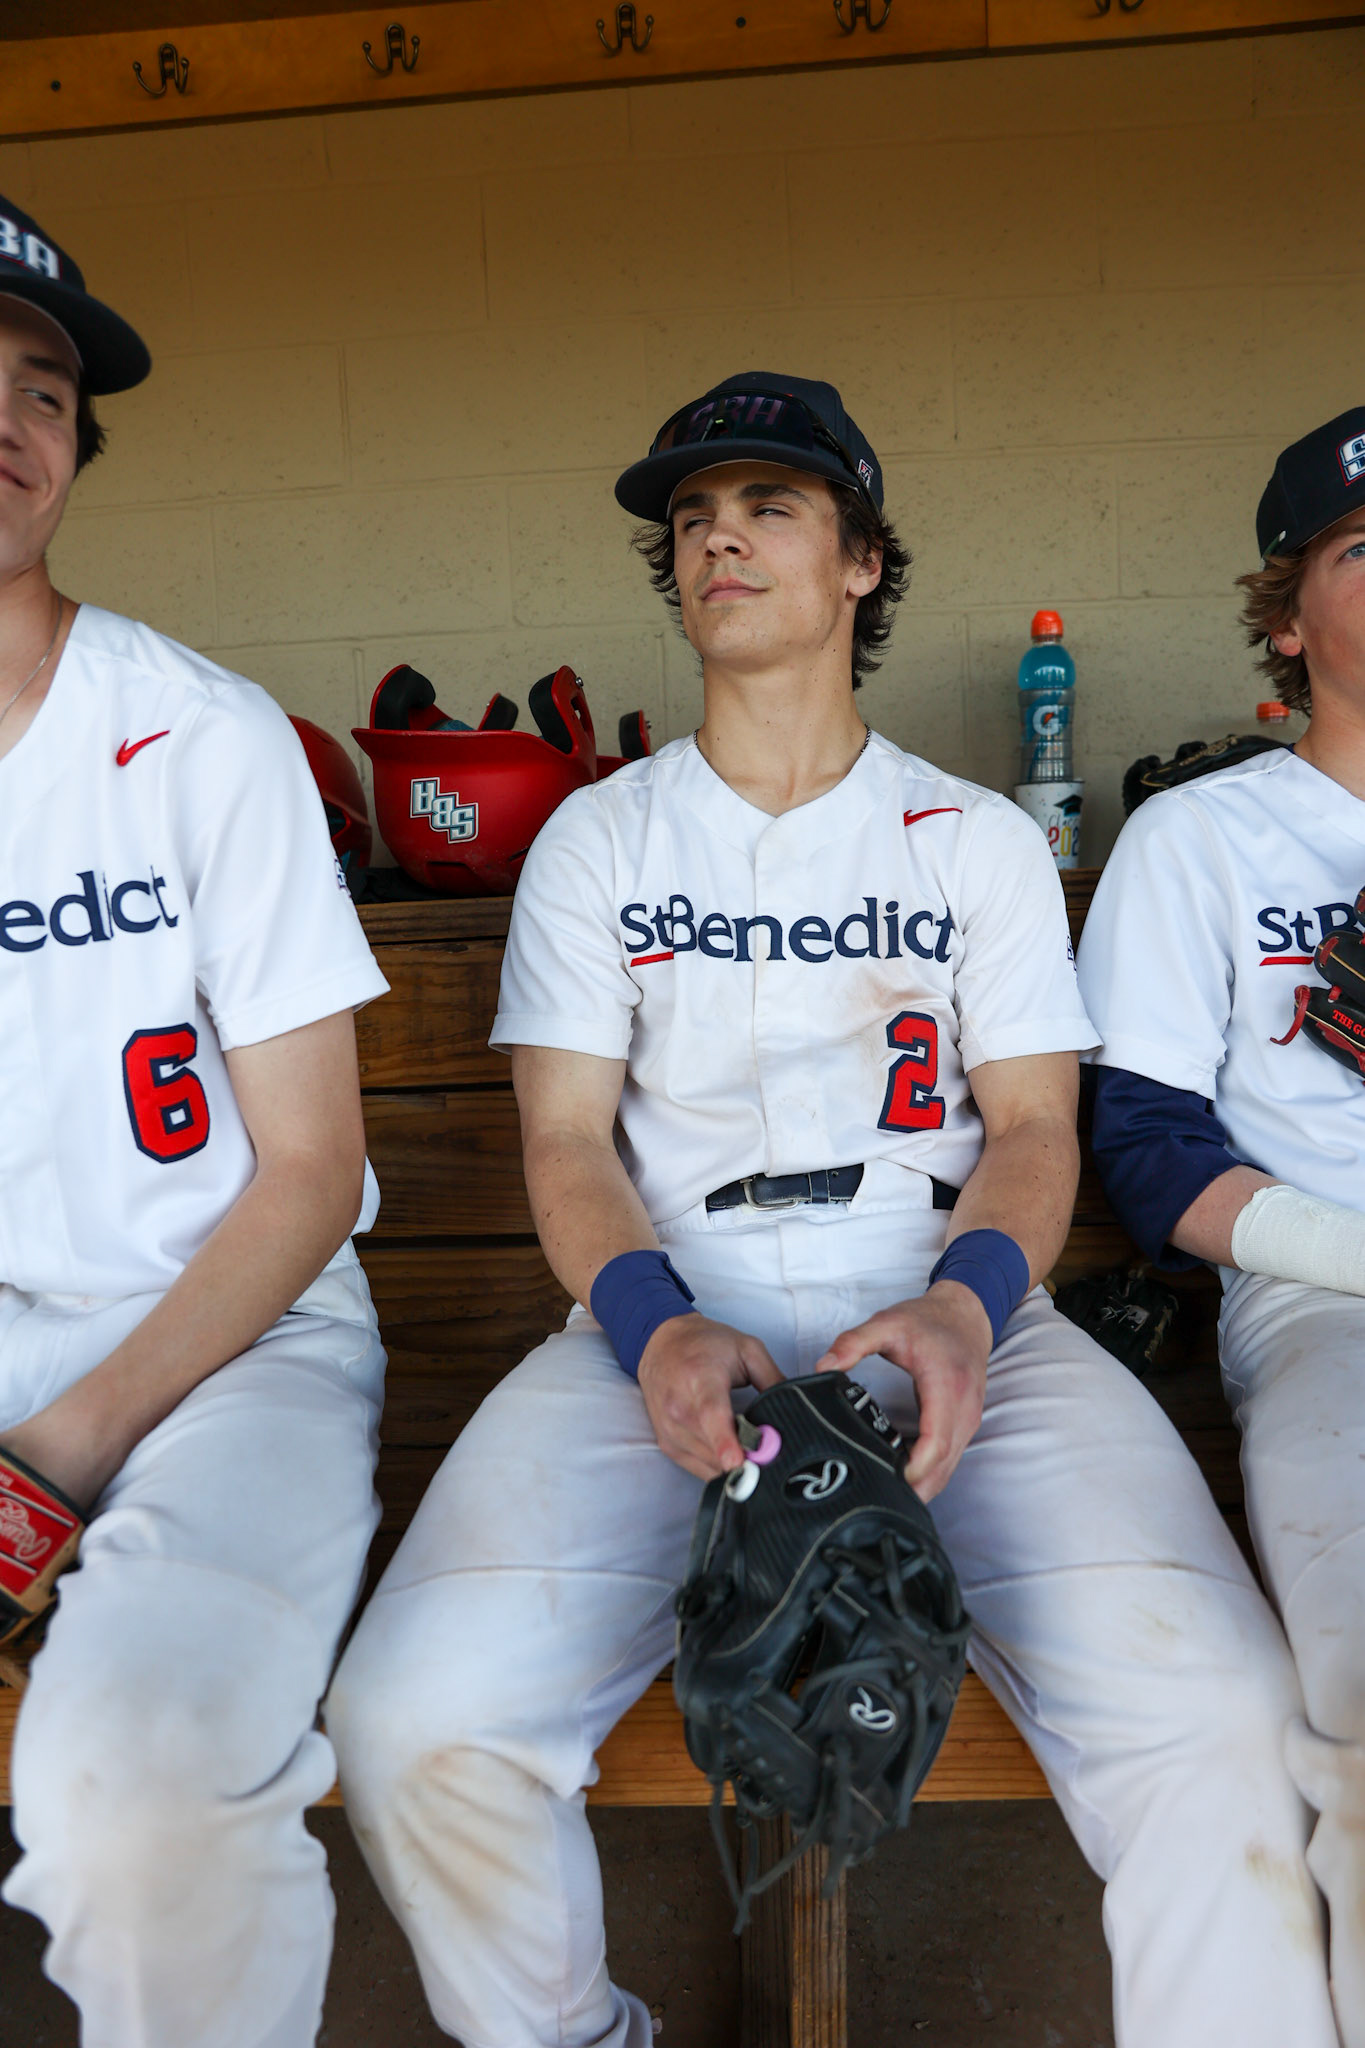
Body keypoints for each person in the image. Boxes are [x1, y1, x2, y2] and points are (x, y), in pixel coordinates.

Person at [328, 373, 1337, 2048]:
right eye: (693, 519)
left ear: (863, 562)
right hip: (663, 1304)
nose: (718, 537)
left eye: (771, 507)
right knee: (412, 1720)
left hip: (942, 1292)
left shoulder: (972, 840)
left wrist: (965, 1306)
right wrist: (653, 1328)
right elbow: (567, 1144)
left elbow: (1029, 1127)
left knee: (1212, 1713)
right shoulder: (599, 841)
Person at [0, 196, 390, 2048]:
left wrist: (59, 1446)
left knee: (137, 1793)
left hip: (227, 1354)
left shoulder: (198, 733)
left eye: (44, 386)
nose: (9, 416)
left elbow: (308, 1169)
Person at [1076, 404, 1365, 2048]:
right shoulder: (1202, 842)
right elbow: (1144, 1150)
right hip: (1328, 1304)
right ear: (1281, 611)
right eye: (1359, 547)